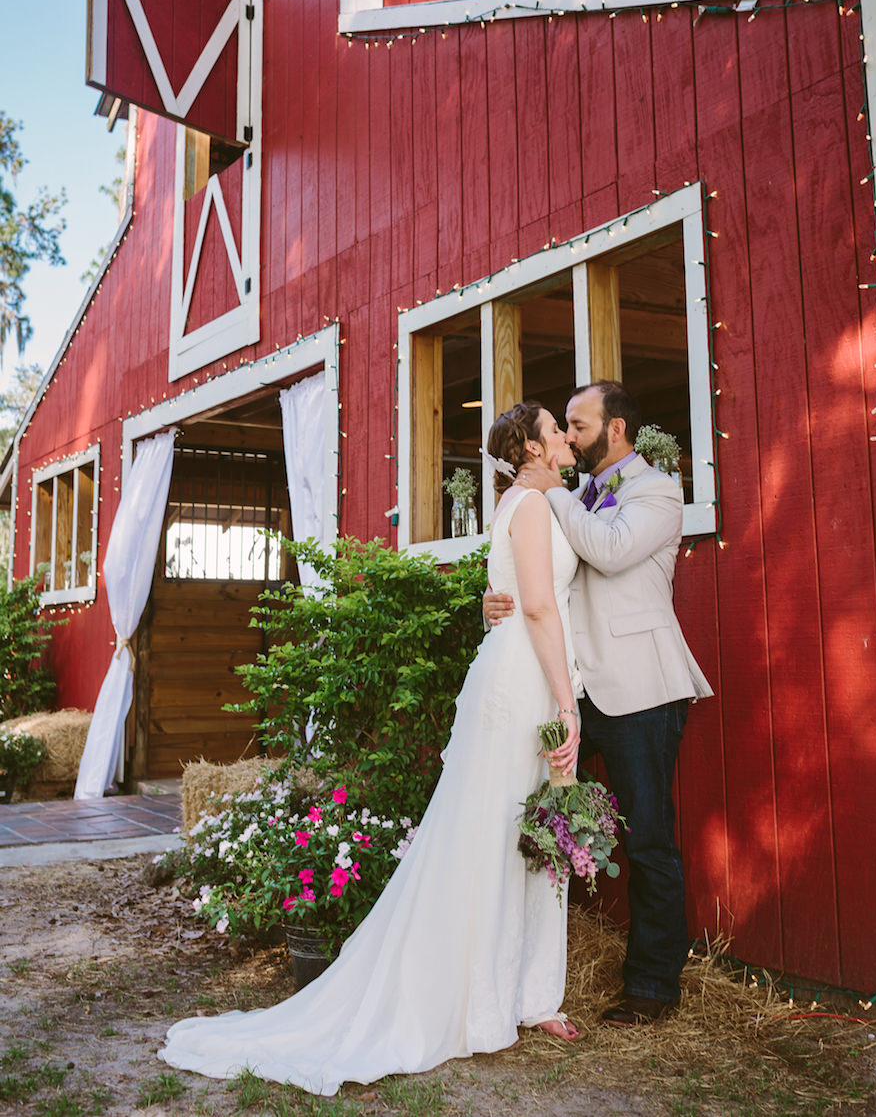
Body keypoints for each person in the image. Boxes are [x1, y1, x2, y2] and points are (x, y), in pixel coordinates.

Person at [161, 402, 585, 1094]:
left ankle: (517, 993)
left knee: (512, 831)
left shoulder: (524, 503)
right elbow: (536, 606)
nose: (567, 438)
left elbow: (505, 591)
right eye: (555, 429)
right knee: (498, 833)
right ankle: (482, 997)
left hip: (519, 672)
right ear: (534, 450)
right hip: (526, 679)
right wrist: (568, 705)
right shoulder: (533, 509)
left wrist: (498, 610)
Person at [485, 381, 712, 1027]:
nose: (570, 436)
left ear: (615, 431)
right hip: (573, 693)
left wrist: (549, 487)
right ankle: (523, 976)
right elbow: (545, 577)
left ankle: (651, 986)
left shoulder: (659, 494)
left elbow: (607, 552)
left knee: (648, 841)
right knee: (542, 830)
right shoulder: (574, 495)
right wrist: (494, 597)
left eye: (578, 425)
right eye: (564, 427)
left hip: (641, 691)